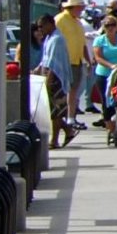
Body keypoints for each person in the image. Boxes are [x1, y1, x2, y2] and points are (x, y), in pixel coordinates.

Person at [36, 14, 79, 143]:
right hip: (48, 77)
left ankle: (54, 140)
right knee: (52, 110)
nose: (40, 30)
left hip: (56, 79)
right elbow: (45, 59)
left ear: (50, 24)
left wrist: (49, 81)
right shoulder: (49, 38)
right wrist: (37, 70)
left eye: (41, 26)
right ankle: (68, 131)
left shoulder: (57, 39)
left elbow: (54, 64)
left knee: (56, 111)